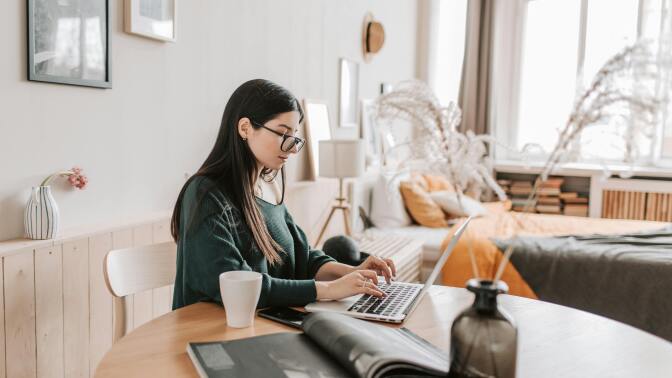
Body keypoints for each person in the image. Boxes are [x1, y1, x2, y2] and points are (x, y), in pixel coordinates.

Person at [171, 79, 396, 310]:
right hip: (214, 333)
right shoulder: (205, 194)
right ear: (245, 128)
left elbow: (303, 257)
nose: (291, 148)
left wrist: (355, 273)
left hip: (267, 323)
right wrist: (328, 290)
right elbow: (237, 286)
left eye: (295, 137)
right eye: (282, 133)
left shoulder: (270, 187)